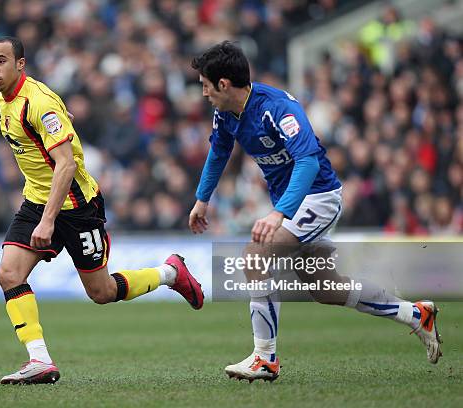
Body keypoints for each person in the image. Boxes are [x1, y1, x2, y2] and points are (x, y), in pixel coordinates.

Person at [188, 41, 442, 382]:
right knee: (325, 288)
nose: (203, 94)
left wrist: (279, 213)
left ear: (223, 84)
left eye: (205, 85)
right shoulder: (226, 113)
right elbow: (219, 152)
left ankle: (265, 358)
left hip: (319, 197)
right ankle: (416, 314)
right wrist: (202, 199)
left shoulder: (276, 108)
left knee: (255, 258)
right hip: (293, 202)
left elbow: (307, 162)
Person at [0, 37, 204, 385]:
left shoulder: (37, 102)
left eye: (1, 61)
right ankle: (39, 360)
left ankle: (170, 273)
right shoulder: (6, 99)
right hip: (36, 200)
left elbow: (66, 165)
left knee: (100, 292)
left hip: (76, 205)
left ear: (20, 64)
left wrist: (48, 221)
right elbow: (58, 120)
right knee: (9, 274)